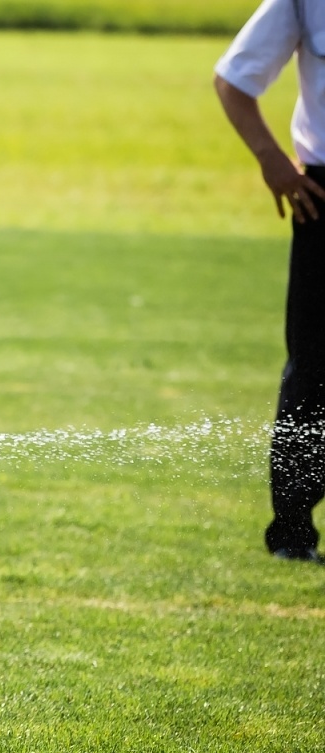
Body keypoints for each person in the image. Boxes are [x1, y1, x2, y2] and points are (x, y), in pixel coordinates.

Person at [216, 0, 325, 562]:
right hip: (323, 199)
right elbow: (234, 79)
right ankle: (292, 532)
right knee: (313, 368)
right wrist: (271, 159)